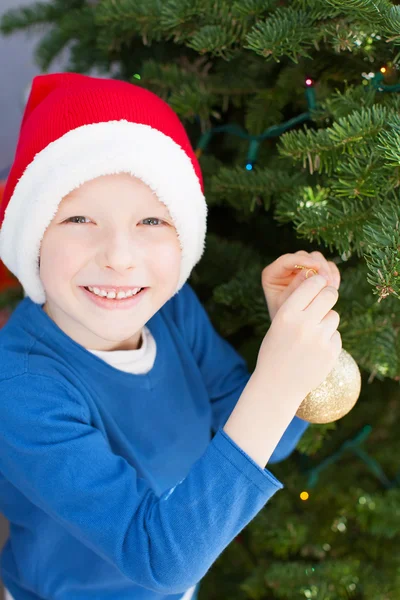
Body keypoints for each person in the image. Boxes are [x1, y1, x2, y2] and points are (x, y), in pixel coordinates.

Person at [0, 72, 316, 600]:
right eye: (78, 218)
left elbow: (272, 440)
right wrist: (279, 384)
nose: (120, 257)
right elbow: (156, 556)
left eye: (150, 220)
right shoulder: (22, 386)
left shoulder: (171, 314)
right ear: (33, 237)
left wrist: (296, 337)